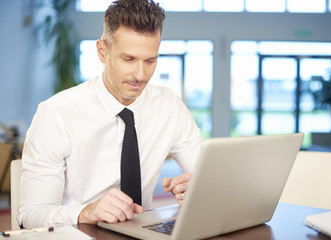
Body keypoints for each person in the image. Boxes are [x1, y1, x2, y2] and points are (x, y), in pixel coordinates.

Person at [18, 0, 202, 228]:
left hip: (141, 232)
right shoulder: (56, 115)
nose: (140, 74)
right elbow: (30, 214)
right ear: (102, 52)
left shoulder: (169, 106)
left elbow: (207, 173)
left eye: (150, 61)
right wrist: (86, 212)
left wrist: (201, 187)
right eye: (129, 59)